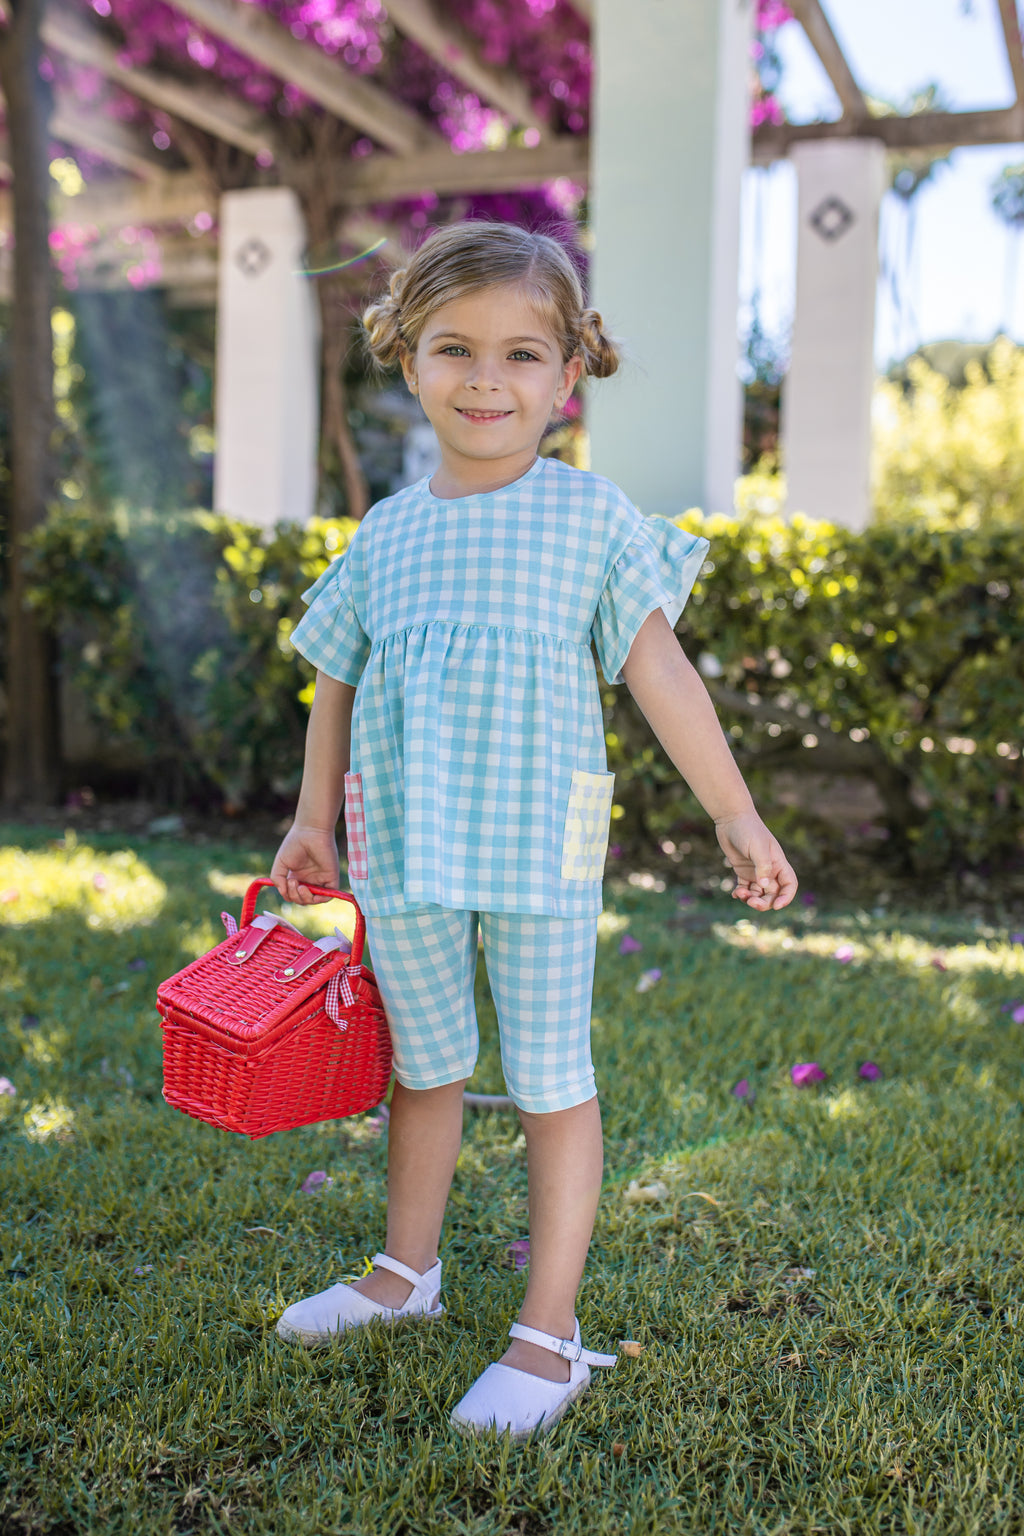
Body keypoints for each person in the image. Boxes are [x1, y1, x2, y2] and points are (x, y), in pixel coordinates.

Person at [270, 219, 798, 1440]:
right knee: (425, 1066)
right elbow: (336, 679)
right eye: (454, 349)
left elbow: (662, 677)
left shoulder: (591, 519)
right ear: (406, 359)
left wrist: (737, 812)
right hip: (403, 849)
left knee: (552, 1078)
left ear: (567, 378)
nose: (485, 379)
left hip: (539, 853)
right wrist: (310, 817)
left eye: (520, 355)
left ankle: (545, 1338)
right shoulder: (387, 533)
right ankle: (405, 1276)